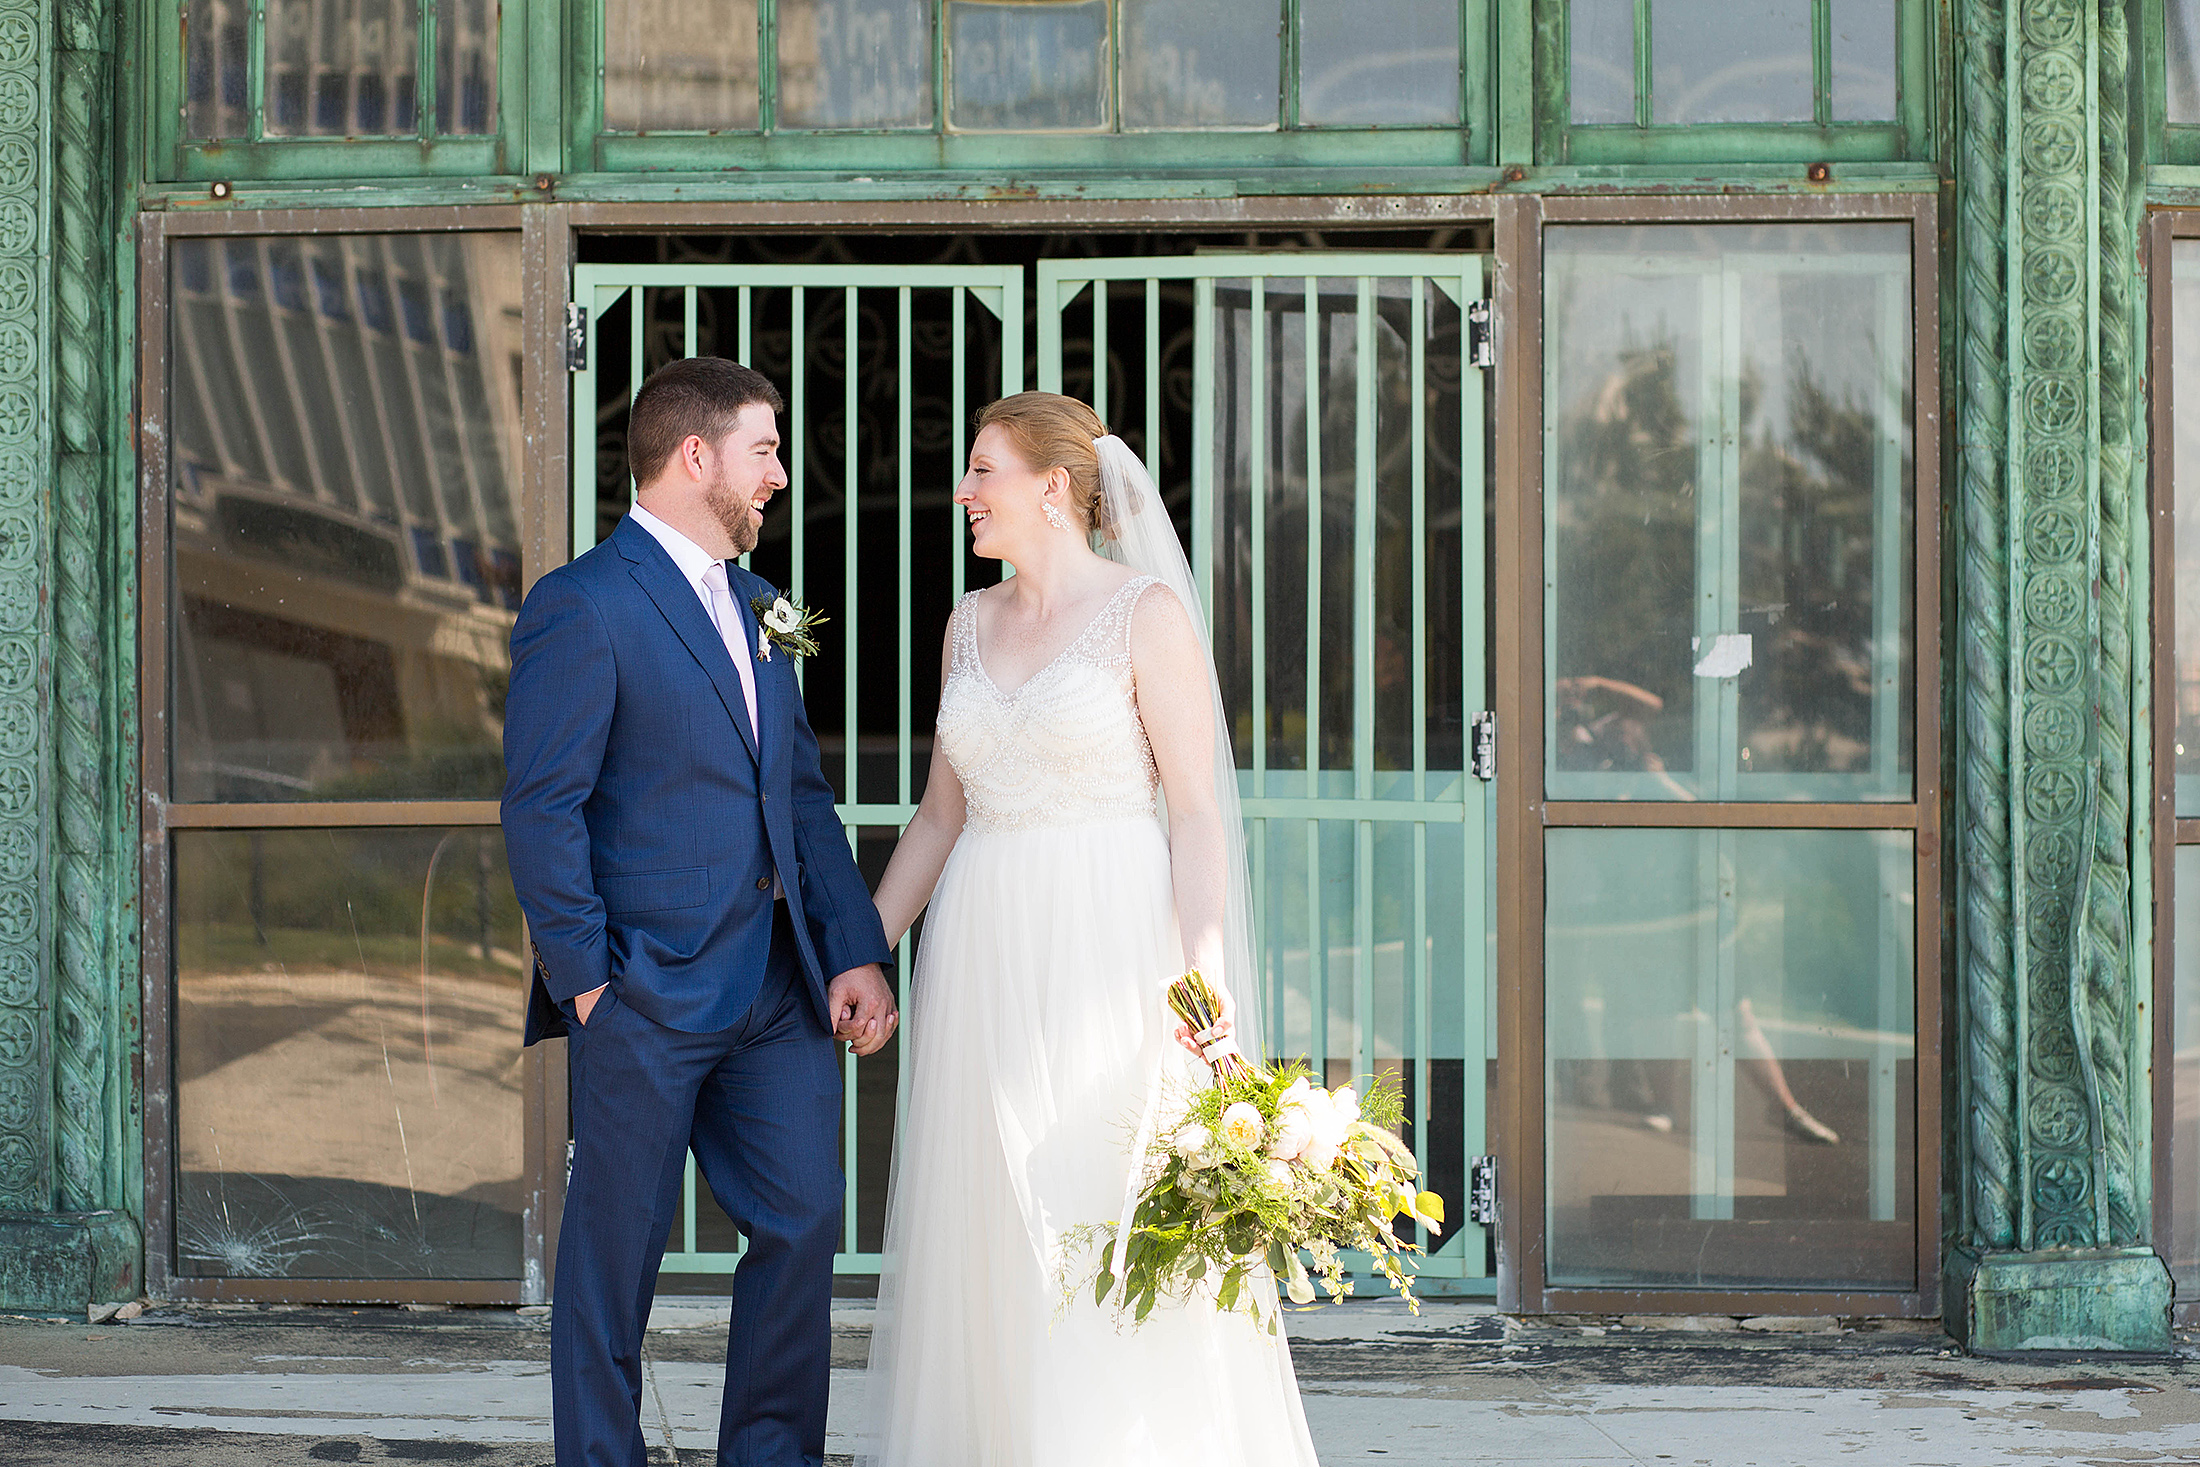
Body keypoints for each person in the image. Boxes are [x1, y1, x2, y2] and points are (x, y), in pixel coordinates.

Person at [859, 392, 1321, 1466]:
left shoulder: (1145, 613)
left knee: (1098, 1205)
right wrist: (863, 948)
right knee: (993, 1215)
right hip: (981, 941)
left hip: (1110, 941)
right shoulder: (964, 625)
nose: (963, 493)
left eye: (983, 470)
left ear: (1052, 488)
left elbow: (1197, 811)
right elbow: (940, 814)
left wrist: (1198, 981)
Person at [501, 356, 897, 1467]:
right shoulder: (581, 604)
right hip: (644, 991)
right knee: (613, 1262)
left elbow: (803, 801)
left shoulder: (768, 609)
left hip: (774, 990)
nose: (778, 475)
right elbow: (543, 807)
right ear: (696, 456)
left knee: (804, 1217)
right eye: (766, 451)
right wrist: (587, 980)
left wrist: (853, 953)